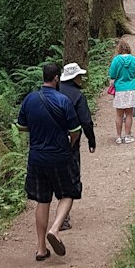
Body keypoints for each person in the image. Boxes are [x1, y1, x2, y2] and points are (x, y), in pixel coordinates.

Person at [16, 61, 82, 260]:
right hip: (59, 155)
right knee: (68, 193)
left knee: (42, 200)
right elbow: (75, 131)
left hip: (36, 157)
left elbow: (21, 126)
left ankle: (41, 248)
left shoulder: (30, 99)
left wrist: (36, 130)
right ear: (56, 79)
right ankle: (55, 228)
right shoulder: (63, 101)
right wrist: (69, 145)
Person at [57, 62, 95, 231]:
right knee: (70, 178)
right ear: (74, 78)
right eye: (80, 76)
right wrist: (91, 140)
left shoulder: (53, 92)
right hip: (70, 143)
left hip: (49, 143)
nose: (81, 78)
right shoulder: (77, 96)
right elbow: (86, 121)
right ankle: (62, 219)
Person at [108, 39, 135, 144]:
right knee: (129, 114)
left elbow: (112, 75)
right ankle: (127, 136)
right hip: (132, 88)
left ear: (119, 50)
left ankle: (118, 137)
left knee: (119, 114)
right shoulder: (134, 60)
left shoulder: (115, 60)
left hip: (119, 89)